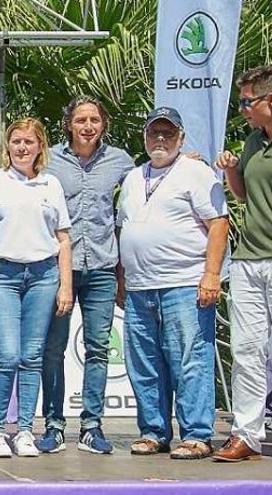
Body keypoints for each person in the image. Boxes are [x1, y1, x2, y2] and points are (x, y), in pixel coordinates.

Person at [116, 107, 228, 460]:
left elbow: (219, 223)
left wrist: (211, 275)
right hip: (139, 287)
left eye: (167, 133)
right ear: (144, 137)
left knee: (190, 360)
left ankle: (196, 434)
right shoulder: (133, 177)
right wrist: (122, 278)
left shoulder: (196, 172)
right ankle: (153, 431)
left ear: (181, 138)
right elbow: (124, 229)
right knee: (144, 363)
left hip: (185, 283)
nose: (160, 139)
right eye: (154, 133)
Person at [0, 118, 73, 457]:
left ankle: (26, 430)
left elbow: (63, 238)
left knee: (32, 358)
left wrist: (65, 287)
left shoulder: (51, 185)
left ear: (39, 147)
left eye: (29, 142)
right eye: (16, 141)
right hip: (1, 274)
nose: (22, 147)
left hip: (44, 276)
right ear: (7, 145)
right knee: (8, 355)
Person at [214, 65, 272, 462]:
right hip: (250, 258)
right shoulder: (253, 141)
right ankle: (247, 433)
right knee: (248, 349)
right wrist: (233, 170)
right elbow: (246, 196)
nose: (243, 110)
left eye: (248, 102)